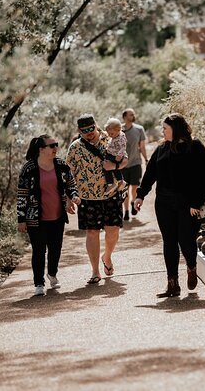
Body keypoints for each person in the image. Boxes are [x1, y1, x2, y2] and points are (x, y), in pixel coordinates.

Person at [134, 113, 205, 297]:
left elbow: (202, 175)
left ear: (175, 129)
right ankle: (172, 284)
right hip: (164, 203)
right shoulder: (162, 148)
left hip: (187, 204)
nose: (163, 131)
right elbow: (151, 172)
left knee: (186, 240)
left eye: (165, 128)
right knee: (169, 242)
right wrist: (140, 195)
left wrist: (196, 202)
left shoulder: (195, 146)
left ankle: (191, 267)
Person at [66, 114, 128, 284]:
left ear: (95, 125)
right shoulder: (75, 148)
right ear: (80, 131)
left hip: (112, 193)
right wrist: (68, 198)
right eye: (84, 131)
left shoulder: (110, 139)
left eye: (91, 128)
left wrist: (113, 166)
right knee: (92, 232)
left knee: (113, 230)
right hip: (87, 197)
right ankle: (95, 271)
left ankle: (107, 256)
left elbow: (125, 160)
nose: (89, 133)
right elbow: (67, 175)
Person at [17, 135, 80, 296]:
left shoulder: (61, 165)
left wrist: (73, 196)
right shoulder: (29, 169)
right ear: (41, 149)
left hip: (57, 217)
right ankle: (39, 283)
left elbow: (71, 185)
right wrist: (21, 219)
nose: (55, 148)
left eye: (56, 145)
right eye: (52, 146)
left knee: (55, 250)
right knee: (39, 251)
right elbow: (22, 195)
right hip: (35, 218)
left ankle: (52, 274)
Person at [121, 108, 147, 221]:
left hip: (136, 163)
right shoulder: (119, 130)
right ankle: (126, 211)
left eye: (133, 114)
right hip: (122, 166)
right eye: (131, 114)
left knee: (135, 187)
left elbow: (142, 147)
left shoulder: (139, 129)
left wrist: (146, 159)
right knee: (124, 189)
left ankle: (133, 203)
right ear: (125, 117)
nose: (133, 116)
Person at [103, 117, 128, 196]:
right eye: (109, 134)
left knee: (106, 168)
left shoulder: (121, 137)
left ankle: (110, 184)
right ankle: (121, 181)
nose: (110, 135)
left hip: (115, 156)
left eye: (111, 134)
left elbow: (123, 147)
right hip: (112, 154)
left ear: (118, 130)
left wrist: (119, 155)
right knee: (115, 169)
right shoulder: (115, 136)